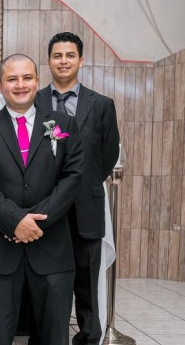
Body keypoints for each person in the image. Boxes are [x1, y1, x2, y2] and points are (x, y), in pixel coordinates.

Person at [0, 53, 84, 345]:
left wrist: (34, 222)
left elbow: (72, 178)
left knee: (54, 335)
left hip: (52, 249)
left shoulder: (64, 124)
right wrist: (14, 221)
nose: (19, 85)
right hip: (1, 250)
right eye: (12, 79)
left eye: (26, 77)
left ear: (37, 81)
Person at [35, 32, 120, 345]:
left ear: (80, 60)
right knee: (49, 284)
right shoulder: (35, 101)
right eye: (57, 56)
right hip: (45, 207)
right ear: (49, 61)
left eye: (70, 55)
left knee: (86, 283)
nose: (63, 61)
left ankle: (87, 338)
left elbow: (108, 156)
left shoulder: (102, 105)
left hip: (86, 207)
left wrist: (81, 183)